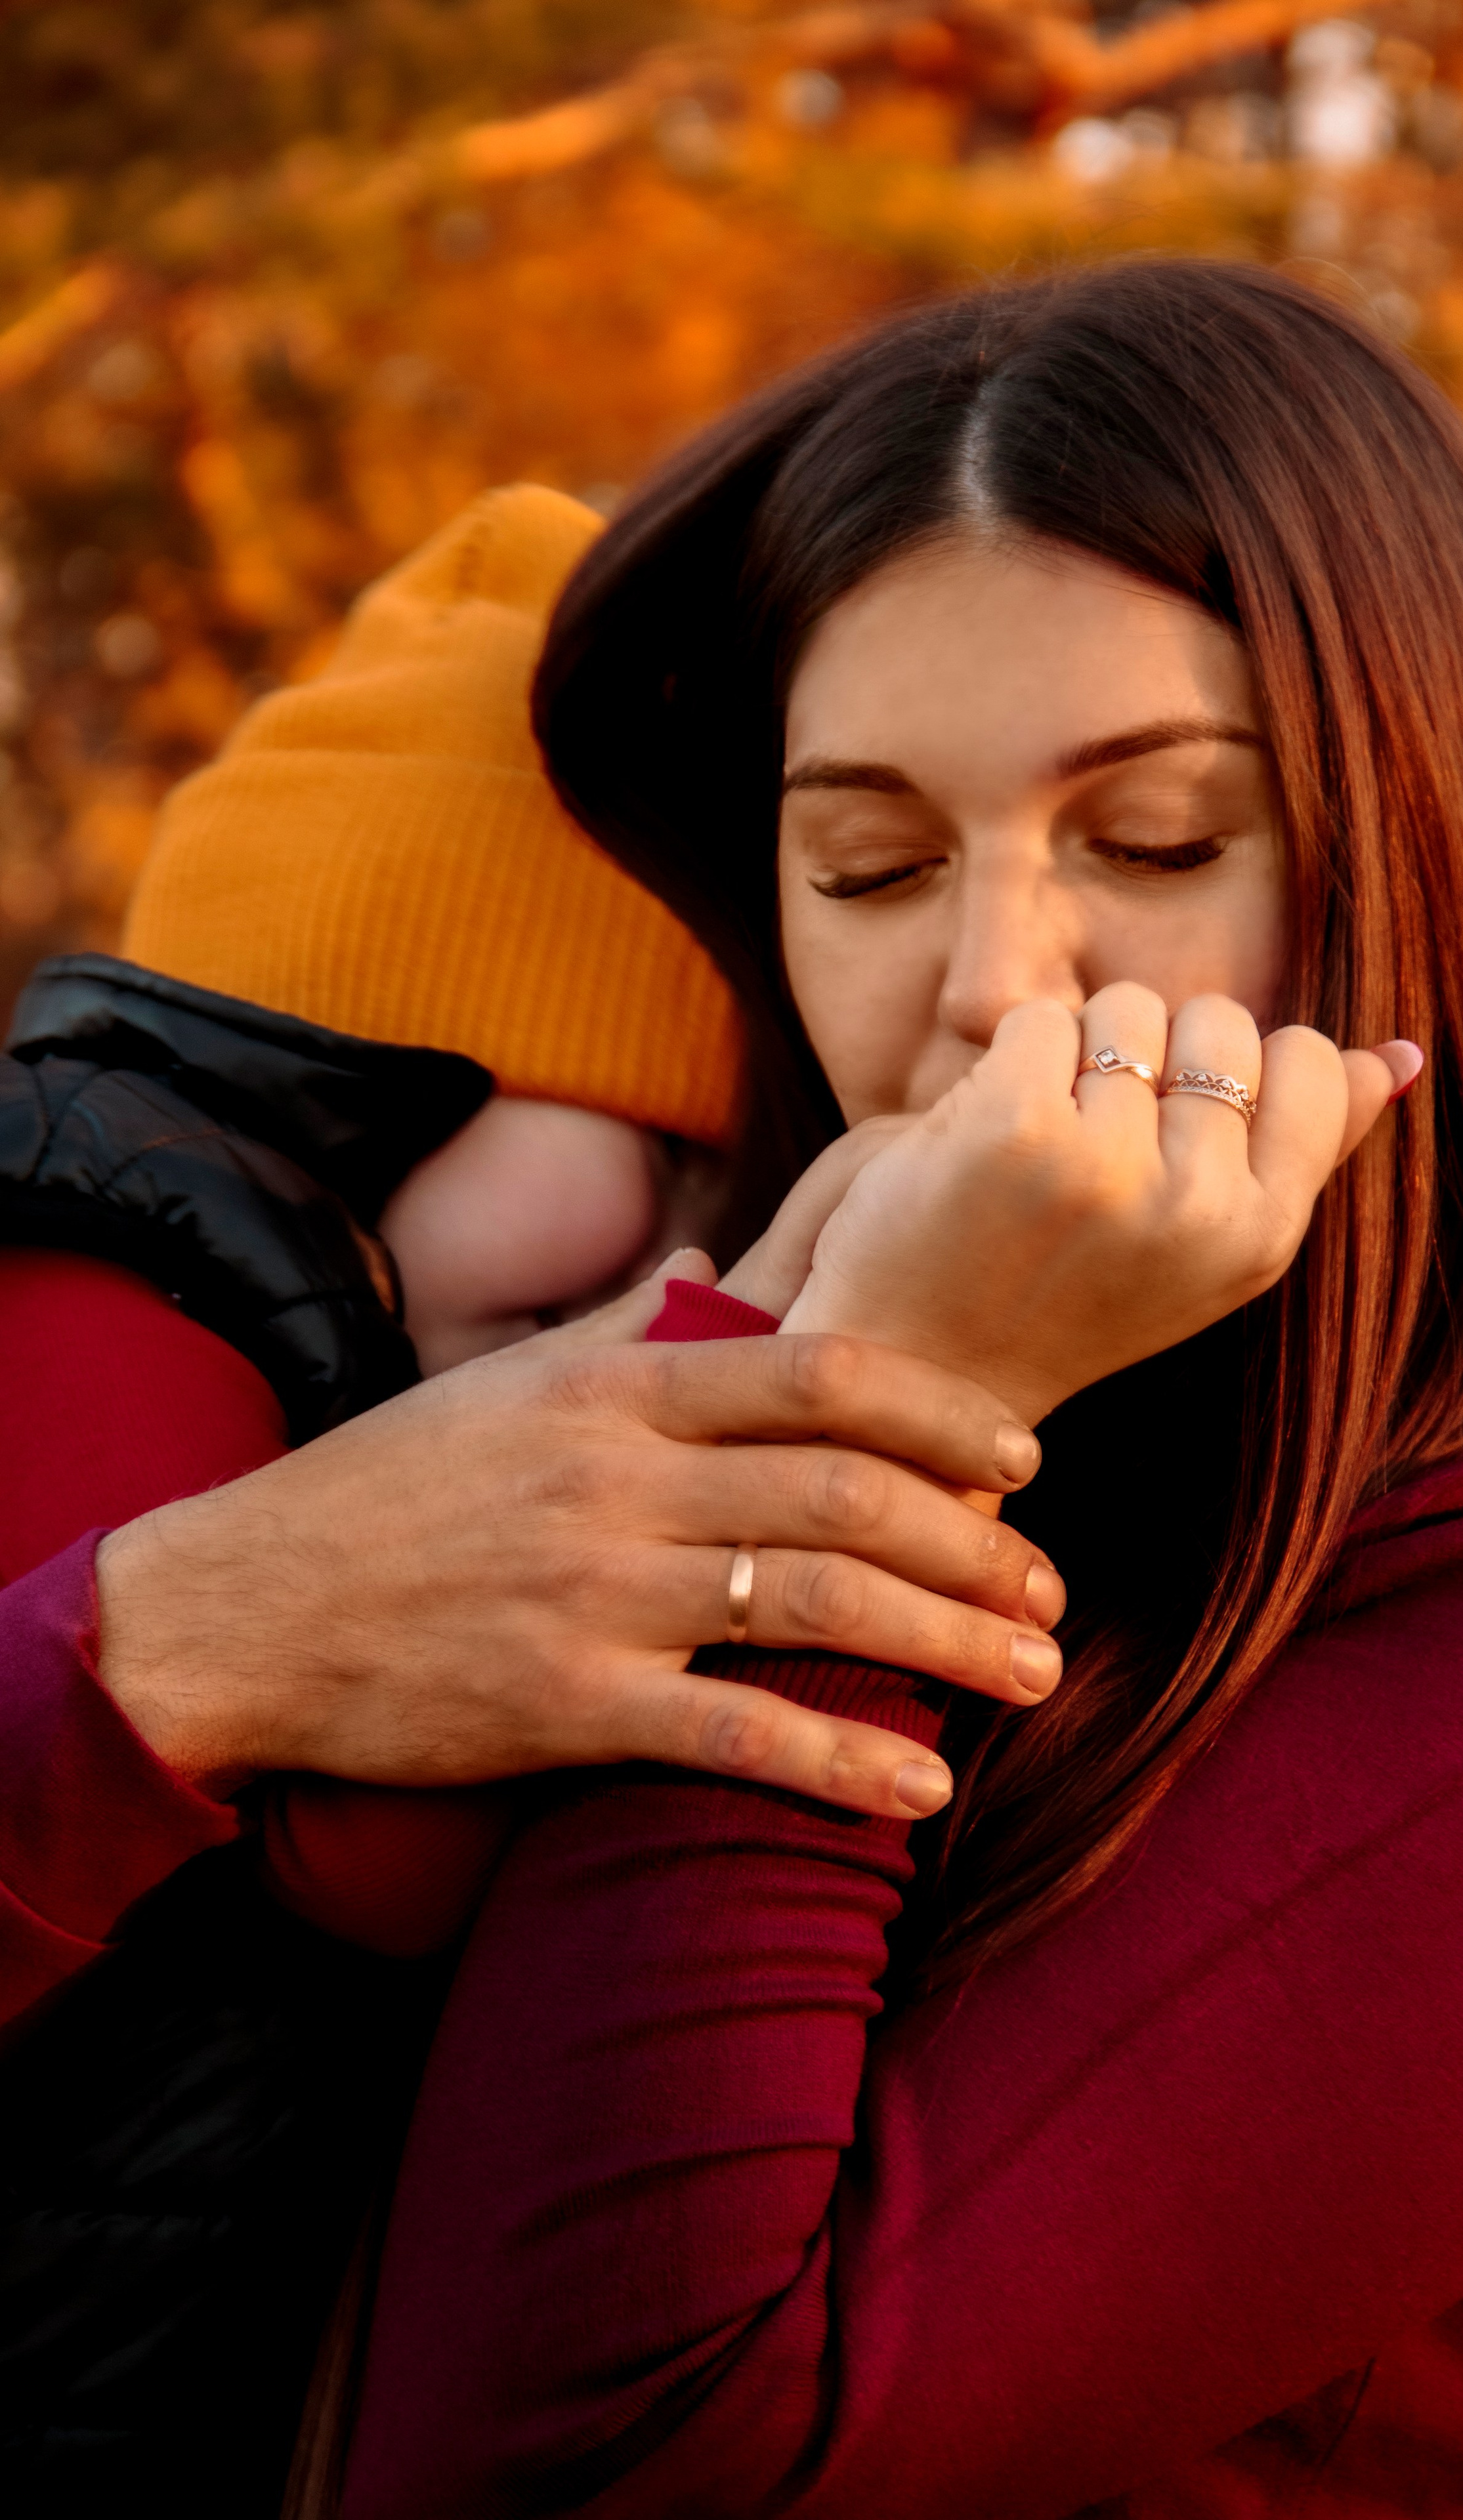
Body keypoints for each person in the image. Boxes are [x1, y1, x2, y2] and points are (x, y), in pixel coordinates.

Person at [338, 260, 1463, 2519]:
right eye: (866, 863)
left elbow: (588, 2459)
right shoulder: (603, 1382)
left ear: (1421, 861)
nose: (984, 990)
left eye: (1154, 843)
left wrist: (875, 1398)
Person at [0, 489, 1065, 2515]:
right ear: (374, 1067)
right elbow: (337, 1868)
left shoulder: (299, 1302)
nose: (673, 1260)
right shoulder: (99, 1306)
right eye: (653, 1149)